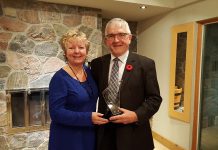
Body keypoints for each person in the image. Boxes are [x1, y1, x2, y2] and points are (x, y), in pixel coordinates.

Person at [91, 18, 162, 150]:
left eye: (121, 35)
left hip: (134, 133)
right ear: (106, 40)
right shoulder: (97, 64)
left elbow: (155, 99)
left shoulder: (146, 64)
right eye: (111, 36)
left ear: (129, 38)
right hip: (104, 132)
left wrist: (135, 116)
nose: (116, 40)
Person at [48, 29, 108, 150]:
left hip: (88, 133)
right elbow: (56, 113)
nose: (76, 51)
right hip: (68, 137)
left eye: (81, 47)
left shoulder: (89, 72)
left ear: (86, 51)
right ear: (65, 52)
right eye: (71, 48)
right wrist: (88, 118)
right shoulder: (59, 78)